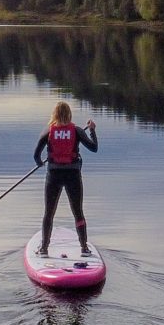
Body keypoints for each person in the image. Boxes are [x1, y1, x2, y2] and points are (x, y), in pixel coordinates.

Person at [32, 101, 98, 257]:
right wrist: (93, 131)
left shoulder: (48, 131)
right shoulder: (77, 131)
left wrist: (41, 163)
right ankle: (84, 248)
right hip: (73, 176)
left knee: (49, 213)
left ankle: (44, 249)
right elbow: (94, 148)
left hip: (53, 175)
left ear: (54, 114)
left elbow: (36, 156)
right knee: (78, 212)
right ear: (69, 114)